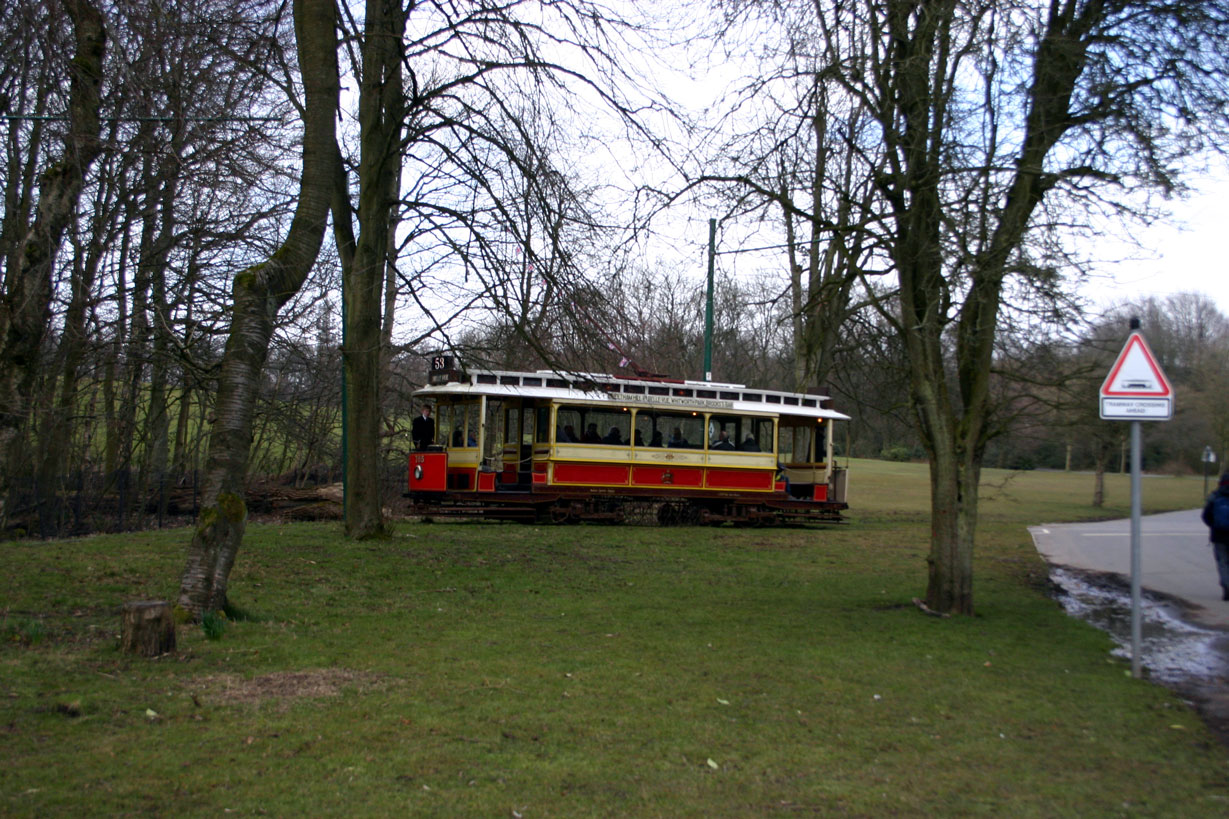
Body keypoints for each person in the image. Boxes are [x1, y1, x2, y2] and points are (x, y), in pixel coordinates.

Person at [1201, 471, 1229, 601]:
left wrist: (1213, 526)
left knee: (1222, 562)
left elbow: (1205, 516)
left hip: (1218, 536)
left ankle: (1226, 586)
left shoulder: (1215, 496)